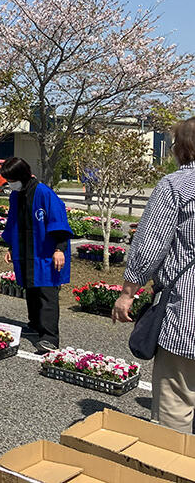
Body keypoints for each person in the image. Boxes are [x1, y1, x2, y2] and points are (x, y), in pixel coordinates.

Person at [112, 117, 195, 434]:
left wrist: (127, 293)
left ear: (181, 148)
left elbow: (149, 246)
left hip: (187, 312)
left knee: (176, 402)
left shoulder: (176, 186)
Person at [1, 157, 72, 353]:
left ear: (21, 176)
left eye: (11, 179)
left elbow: (59, 220)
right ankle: (34, 325)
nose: (9, 183)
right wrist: (11, 247)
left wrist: (59, 249)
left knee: (47, 293)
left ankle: (50, 337)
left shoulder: (43, 193)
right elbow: (13, 223)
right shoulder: (16, 195)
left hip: (46, 252)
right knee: (31, 289)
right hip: (26, 250)